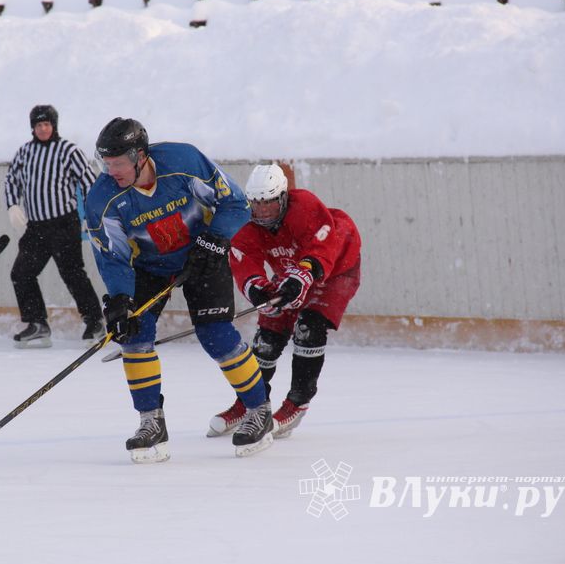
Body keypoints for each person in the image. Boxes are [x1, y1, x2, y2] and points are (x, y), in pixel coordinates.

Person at [85, 117, 274, 462]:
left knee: (216, 335)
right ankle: (151, 423)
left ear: (140, 156)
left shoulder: (184, 162)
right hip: (149, 268)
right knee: (134, 334)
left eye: (118, 163)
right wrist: (120, 300)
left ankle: (259, 410)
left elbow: (235, 203)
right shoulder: (103, 199)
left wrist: (215, 239)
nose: (111, 171)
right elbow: (113, 257)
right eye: (105, 163)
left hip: (202, 253)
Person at [212, 163, 362, 439]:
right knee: (267, 338)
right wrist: (257, 288)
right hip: (291, 267)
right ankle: (250, 402)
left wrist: (303, 273)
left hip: (337, 269)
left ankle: (297, 402)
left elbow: (322, 245)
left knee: (309, 326)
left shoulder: (304, 205)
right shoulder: (247, 221)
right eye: (256, 204)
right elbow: (245, 260)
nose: (262, 211)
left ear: (282, 197)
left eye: (269, 202)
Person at [4, 104, 103, 348]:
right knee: (21, 273)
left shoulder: (68, 150)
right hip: (36, 227)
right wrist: (12, 206)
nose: (43, 128)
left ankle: (95, 321)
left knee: (72, 272)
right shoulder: (25, 152)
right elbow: (11, 180)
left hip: (63, 224)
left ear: (54, 125)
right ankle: (37, 324)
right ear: (33, 128)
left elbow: (90, 181)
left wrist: (93, 214)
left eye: (47, 124)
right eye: (38, 125)